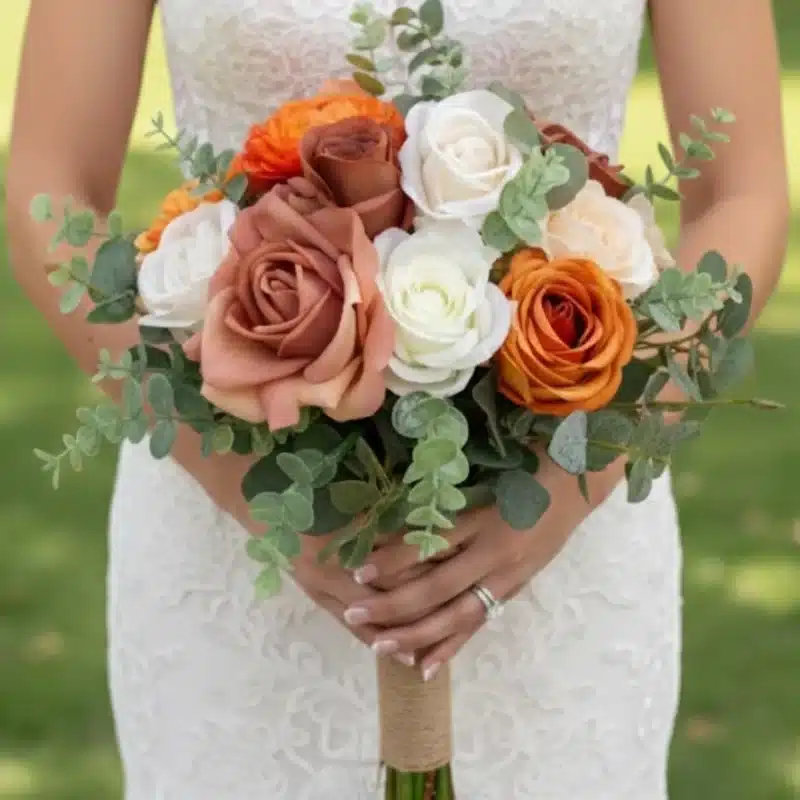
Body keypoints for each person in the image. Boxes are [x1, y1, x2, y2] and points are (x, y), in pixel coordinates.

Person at [6, 1, 788, 798]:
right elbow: (51, 177)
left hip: (562, 537)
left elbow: (742, 191)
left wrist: (570, 483)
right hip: (232, 532)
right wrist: (248, 486)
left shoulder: (565, 497)